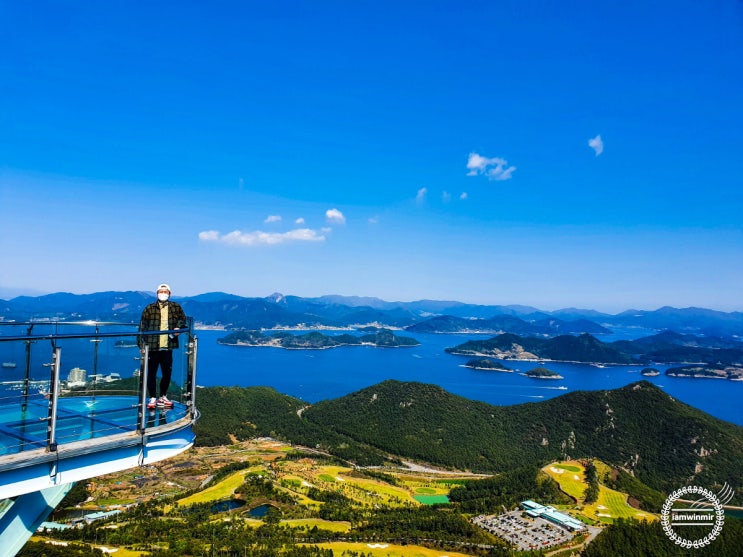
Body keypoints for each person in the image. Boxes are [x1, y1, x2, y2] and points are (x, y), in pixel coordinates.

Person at [138, 283, 188, 409]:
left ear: (169, 294)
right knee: (151, 374)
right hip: (153, 347)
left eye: (165, 292)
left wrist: (178, 326)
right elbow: (142, 328)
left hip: (168, 346)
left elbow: (183, 319)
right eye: (161, 291)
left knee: (167, 373)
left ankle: (163, 396)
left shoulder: (175, 307)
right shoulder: (149, 308)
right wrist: (141, 345)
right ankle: (153, 397)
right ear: (157, 293)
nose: (163, 293)